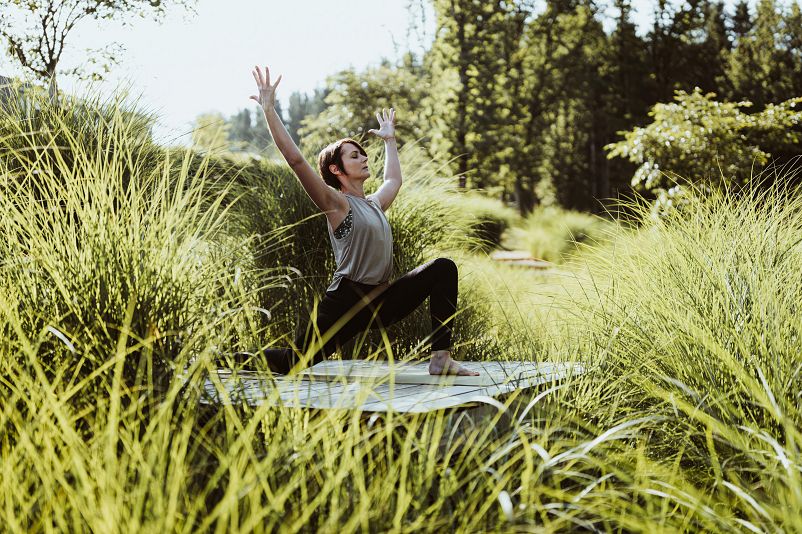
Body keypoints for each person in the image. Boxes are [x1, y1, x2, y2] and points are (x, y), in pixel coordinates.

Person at [249, 65, 478, 377]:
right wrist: (269, 109)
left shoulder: (373, 204)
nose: (363, 158)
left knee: (443, 268)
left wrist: (390, 140)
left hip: (383, 301)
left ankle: (440, 359)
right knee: (292, 363)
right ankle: (224, 361)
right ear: (335, 170)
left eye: (363, 153)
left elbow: (394, 180)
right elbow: (295, 159)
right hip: (346, 302)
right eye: (353, 155)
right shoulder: (336, 204)